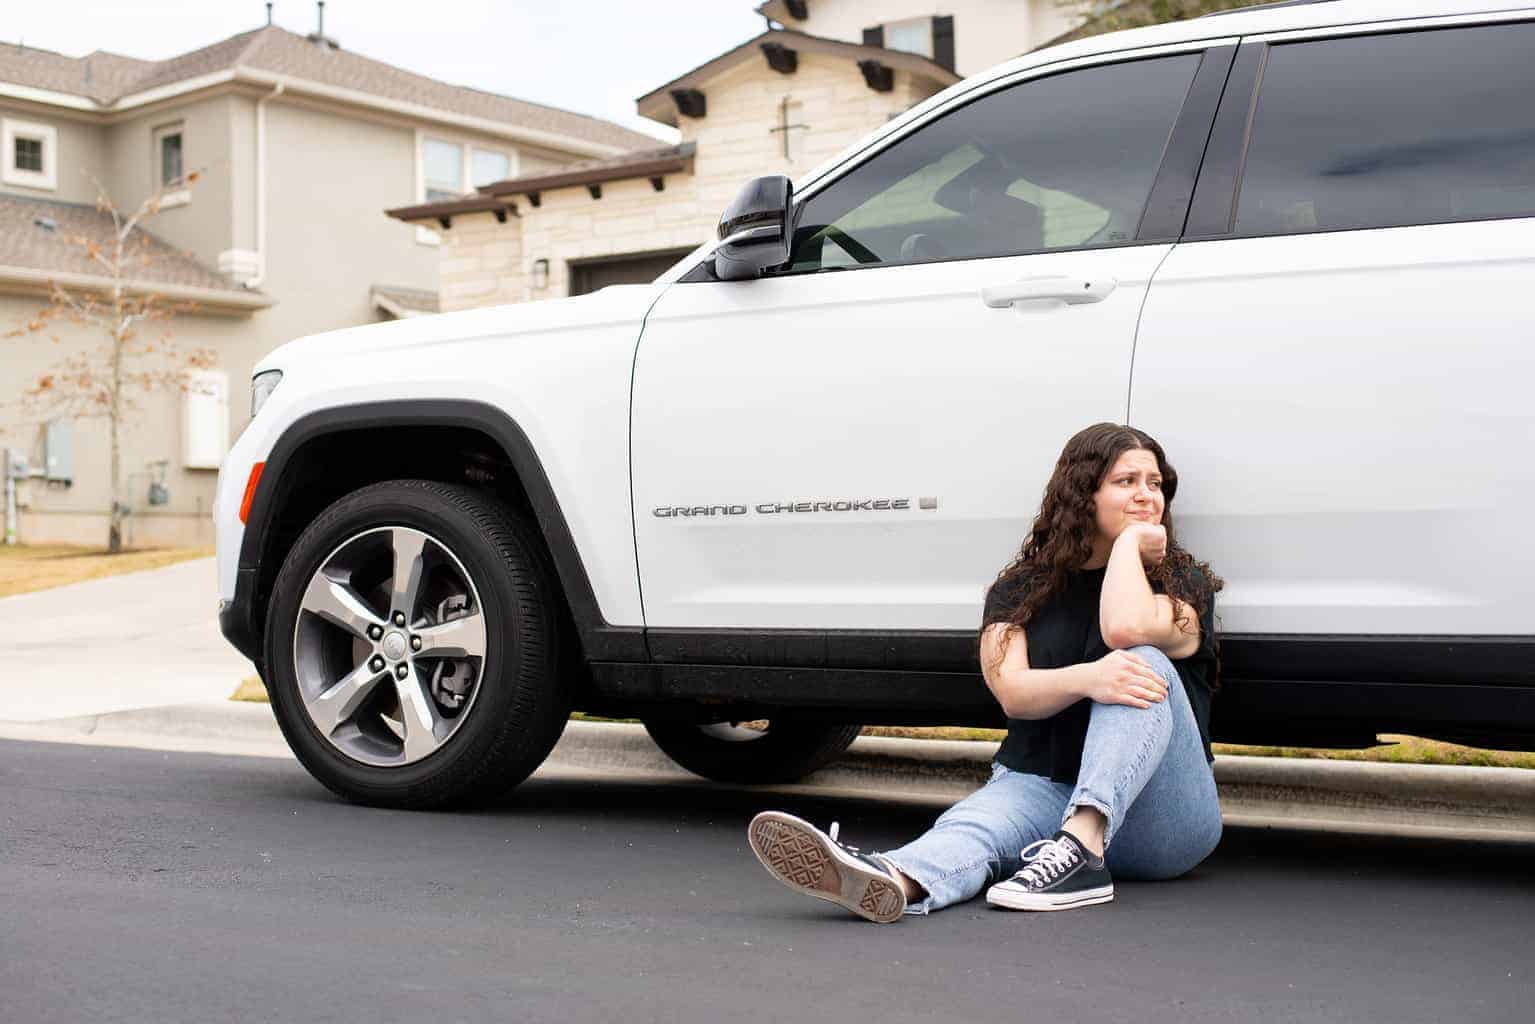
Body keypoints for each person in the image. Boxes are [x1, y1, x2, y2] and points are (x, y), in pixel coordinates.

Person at [746, 423, 1225, 921]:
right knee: (974, 828)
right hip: (1045, 790)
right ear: (1084, 493)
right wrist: (1088, 679)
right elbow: (1013, 693)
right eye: (1126, 481)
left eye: (1155, 483)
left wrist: (1126, 548)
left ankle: (1082, 848)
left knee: (1140, 661)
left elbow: (1125, 627)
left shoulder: (1182, 584)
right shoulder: (1019, 589)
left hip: (1161, 820)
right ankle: (890, 878)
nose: (1147, 495)